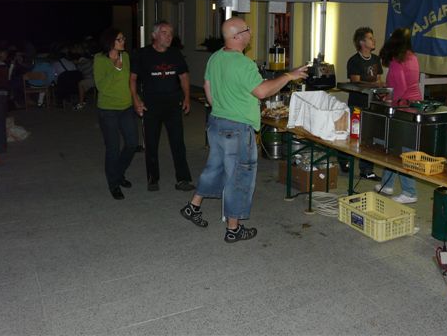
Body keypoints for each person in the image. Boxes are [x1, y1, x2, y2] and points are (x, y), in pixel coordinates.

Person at [180, 17, 308, 243]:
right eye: (248, 29)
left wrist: (222, 108)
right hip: (237, 129)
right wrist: (288, 75)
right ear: (237, 36)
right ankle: (233, 228)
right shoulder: (244, 63)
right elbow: (262, 91)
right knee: (239, 177)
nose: (251, 32)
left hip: (217, 123)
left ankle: (193, 206)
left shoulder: (216, 57)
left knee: (215, 167)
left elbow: (208, 88)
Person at [130, 21, 195, 192]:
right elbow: (133, 79)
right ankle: (153, 178)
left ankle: (183, 179)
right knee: (151, 143)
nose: (169, 36)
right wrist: (135, 100)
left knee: (178, 142)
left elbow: (184, 76)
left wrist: (187, 98)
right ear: (154, 35)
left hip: (173, 104)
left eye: (170, 33)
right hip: (150, 106)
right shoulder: (142, 54)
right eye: (164, 33)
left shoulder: (175, 54)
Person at [374, 27, 423, 204]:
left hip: (402, 108)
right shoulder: (413, 57)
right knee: (393, 147)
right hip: (414, 105)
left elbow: (400, 89)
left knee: (403, 151)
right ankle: (387, 184)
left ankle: (410, 192)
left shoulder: (397, 61)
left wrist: (388, 100)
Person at [94, 28, 138, 200]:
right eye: (120, 39)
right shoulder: (100, 59)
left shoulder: (125, 56)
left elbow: (129, 82)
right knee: (113, 148)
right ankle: (113, 183)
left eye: (123, 38)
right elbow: (101, 87)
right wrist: (115, 70)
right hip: (108, 110)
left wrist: (136, 99)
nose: (123, 41)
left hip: (126, 107)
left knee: (132, 144)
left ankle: (118, 172)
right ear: (110, 41)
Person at [343, 27, 383, 179]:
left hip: (372, 103)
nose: (374, 40)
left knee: (369, 137)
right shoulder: (354, 61)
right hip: (357, 104)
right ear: (362, 42)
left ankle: (366, 170)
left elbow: (379, 80)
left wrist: (380, 89)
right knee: (353, 135)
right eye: (370, 38)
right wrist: (375, 85)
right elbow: (356, 82)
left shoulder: (376, 60)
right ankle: (344, 160)